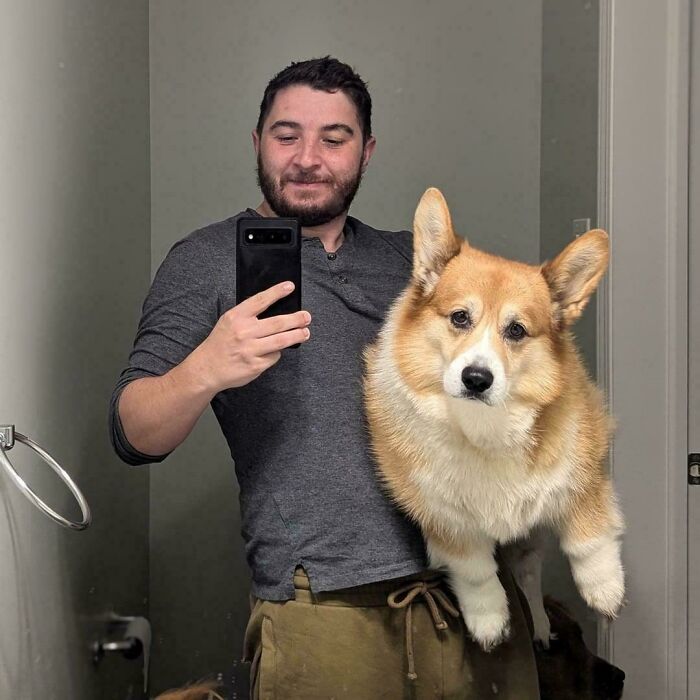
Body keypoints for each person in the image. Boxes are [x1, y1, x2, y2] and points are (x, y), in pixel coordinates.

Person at [109, 56, 539, 699]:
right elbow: (134, 431)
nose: (308, 157)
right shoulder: (204, 261)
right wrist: (207, 367)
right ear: (258, 143)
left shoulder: (415, 261)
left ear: (365, 152)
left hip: (473, 592)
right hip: (323, 609)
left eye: (333, 138)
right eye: (287, 135)